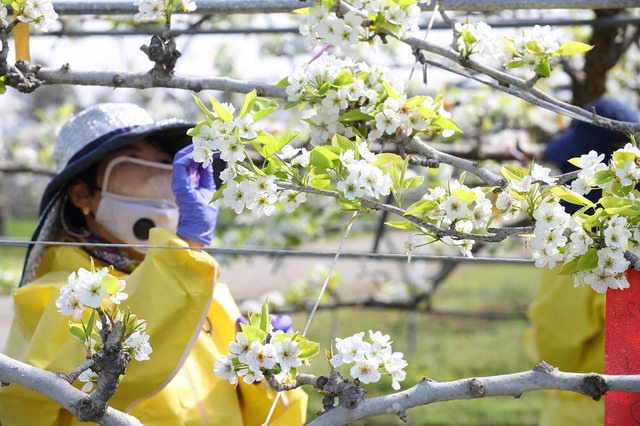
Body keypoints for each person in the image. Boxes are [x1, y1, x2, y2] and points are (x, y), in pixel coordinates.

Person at [0, 103, 307, 425]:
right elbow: (110, 373)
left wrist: (266, 374)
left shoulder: (202, 286)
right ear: (82, 195)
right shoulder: (58, 296)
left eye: (165, 165)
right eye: (134, 164)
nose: (160, 181)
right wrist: (186, 247)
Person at [524, 98, 640, 426]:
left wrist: (531, 344)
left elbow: (556, 348)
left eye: (569, 173)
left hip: (592, 412)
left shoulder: (578, 246)